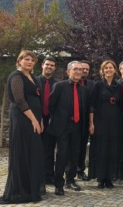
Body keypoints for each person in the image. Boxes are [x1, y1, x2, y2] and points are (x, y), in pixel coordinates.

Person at [0, 50, 45, 204]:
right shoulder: (16, 76)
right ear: (19, 61)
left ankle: (31, 187)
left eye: (32, 60)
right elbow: (19, 99)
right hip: (23, 118)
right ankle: (21, 190)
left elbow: (38, 99)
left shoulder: (33, 77)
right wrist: (33, 120)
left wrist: (40, 119)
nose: (30, 62)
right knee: (23, 152)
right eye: (26, 59)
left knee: (34, 153)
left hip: (34, 119)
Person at [47, 61, 88, 196]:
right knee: (62, 155)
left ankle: (70, 180)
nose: (78, 72)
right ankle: (59, 184)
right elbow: (51, 105)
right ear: (68, 71)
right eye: (75, 69)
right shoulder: (59, 86)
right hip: (63, 126)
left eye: (80, 70)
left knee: (74, 154)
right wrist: (59, 120)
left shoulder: (83, 89)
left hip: (77, 126)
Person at [88, 60, 122, 189]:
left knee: (113, 150)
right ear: (103, 71)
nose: (108, 70)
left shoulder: (118, 87)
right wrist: (91, 123)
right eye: (106, 68)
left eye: (111, 67)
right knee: (102, 150)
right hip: (100, 121)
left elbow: (120, 105)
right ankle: (100, 178)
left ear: (115, 70)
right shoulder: (98, 86)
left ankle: (109, 178)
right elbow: (92, 105)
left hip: (115, 122)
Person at [35, 56, 57, 185]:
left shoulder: (58, 84)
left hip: (51, 120)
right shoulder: (34, 81)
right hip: (37, 119)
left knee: (49, 149)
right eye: (47, 64)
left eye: (52, 65)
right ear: (42, 65)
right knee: (36, 149)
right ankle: (36, 174)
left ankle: (49, 175)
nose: (49, 67)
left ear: (54, 68)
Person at [77, 60, 94, 181]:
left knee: (83, 146)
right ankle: (69, 171)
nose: (84, 71)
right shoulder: (68, 84)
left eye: (87, 69)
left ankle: (80, 170)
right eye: (83, 69)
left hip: (85, 120)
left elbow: (93, 104)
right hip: (72, 120)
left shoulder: (92, 85)